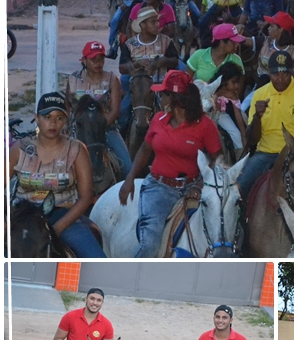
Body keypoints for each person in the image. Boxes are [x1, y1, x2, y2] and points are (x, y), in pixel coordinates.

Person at [119, 70, 222, 257]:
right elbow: (144, 149)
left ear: (175, 98)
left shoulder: (205, 126)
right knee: (150, 244)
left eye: (164, 93)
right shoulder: (158, 119)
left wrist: (199, 185)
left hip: (193, 187)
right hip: (159, 188)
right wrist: (130, 178)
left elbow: (217, 159)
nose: (160, 97)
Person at [9, 93, 104, 257]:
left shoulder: (77, 150)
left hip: (63, 215)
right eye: (47, 117)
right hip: (22, 217)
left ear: (66, 120)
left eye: (59, 117)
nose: (53, 123)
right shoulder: (20, 148)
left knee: (98, 260)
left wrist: (58, 228)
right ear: (37, 118)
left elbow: (86, 197)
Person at [236, 51, 294, 198]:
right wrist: (258, 117)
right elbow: (252, 140)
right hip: (265, 153)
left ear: (292, 72)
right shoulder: (259, 95)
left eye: (285, 74)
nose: (280, 79)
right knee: (238, 191)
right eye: (275, 74)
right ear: (269, 73)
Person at [65, 41, 133, 178]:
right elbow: (67, 106)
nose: (98, 63)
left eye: (101, 59)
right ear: (84, 60)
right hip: (79, 128)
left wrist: (97, 128)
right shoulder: (73, 80)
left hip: (106, 129)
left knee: (127, 168)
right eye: (93, 60)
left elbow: (114, 110)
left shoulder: (112, 79)